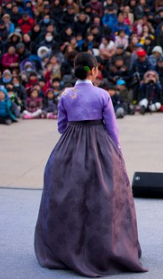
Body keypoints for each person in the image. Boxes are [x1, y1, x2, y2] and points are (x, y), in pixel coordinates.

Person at [34, 52, 147, 277]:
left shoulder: (66, 95)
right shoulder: (102, 94)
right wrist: (118, 152)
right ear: (94, 71)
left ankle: (66, 246)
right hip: (100, 144)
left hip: (69, 145)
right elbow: (112, 128)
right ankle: (105, 247)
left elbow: (61, 126)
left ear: (75, 69)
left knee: (68, 193)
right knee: (105, 193)